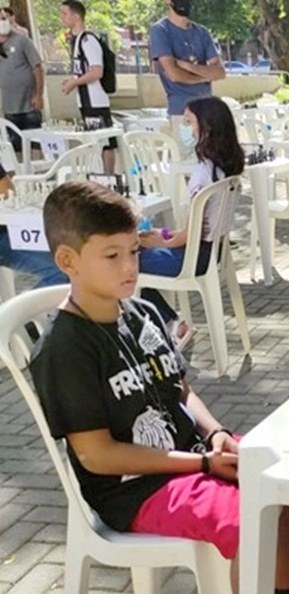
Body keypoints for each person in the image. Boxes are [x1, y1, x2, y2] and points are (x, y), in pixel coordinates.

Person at [30, 180, 289, 594]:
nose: (129, 267)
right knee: (250, 520)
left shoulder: (141, 312)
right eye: (111, 256)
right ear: (68, 261)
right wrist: (203, 465)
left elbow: (180, 389)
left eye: (134, 251)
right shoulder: (65, 348)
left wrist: (217, 434)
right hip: (135, 487)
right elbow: (96, 456)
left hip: (191, 457)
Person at [138, 95, 243, 345]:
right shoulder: (226, 168)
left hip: (194, 257)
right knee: (136, 260)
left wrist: (160, 242)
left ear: (206, 127)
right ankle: (170, 322)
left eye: (188, 122)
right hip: (210, 252)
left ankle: (171, 325)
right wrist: (163, 236)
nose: (185, 129)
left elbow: (190, 234)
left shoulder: (204, 174)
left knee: (127, 264)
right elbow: (194, 229)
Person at [148, 0, 224, 146]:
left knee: (212, 161)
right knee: (186, 162)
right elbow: (174, 74)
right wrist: (205, 76)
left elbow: (220, 73)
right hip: (182, 114)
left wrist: (189, 67)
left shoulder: (202, 32)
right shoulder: (160, 30)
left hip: (208, 112)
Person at [59, 0, 116, 174]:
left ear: (76, 16)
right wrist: (73, 81)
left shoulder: (88, 40)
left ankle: (108, 176)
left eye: (65, 13)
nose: (62, 18)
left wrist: (74, 82)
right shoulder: (76, 41)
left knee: (105, 141)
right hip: (85, 101)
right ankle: (99, 175)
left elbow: (96, 71)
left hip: (96, 100)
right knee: (94, 141)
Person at [0, 162, 67, 288]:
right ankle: (25, 306)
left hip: (6, 234)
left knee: (63, 266)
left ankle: (25, 306)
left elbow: (7, 190)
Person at [0, 6, 43, 157]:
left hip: (29, 105)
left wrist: (38, 94)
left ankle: (37, 175)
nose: (2, 22)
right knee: (14, 146)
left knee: (35, 141)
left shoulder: (22, 40)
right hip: (9, 107)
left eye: (4, 18)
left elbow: (37, 67)